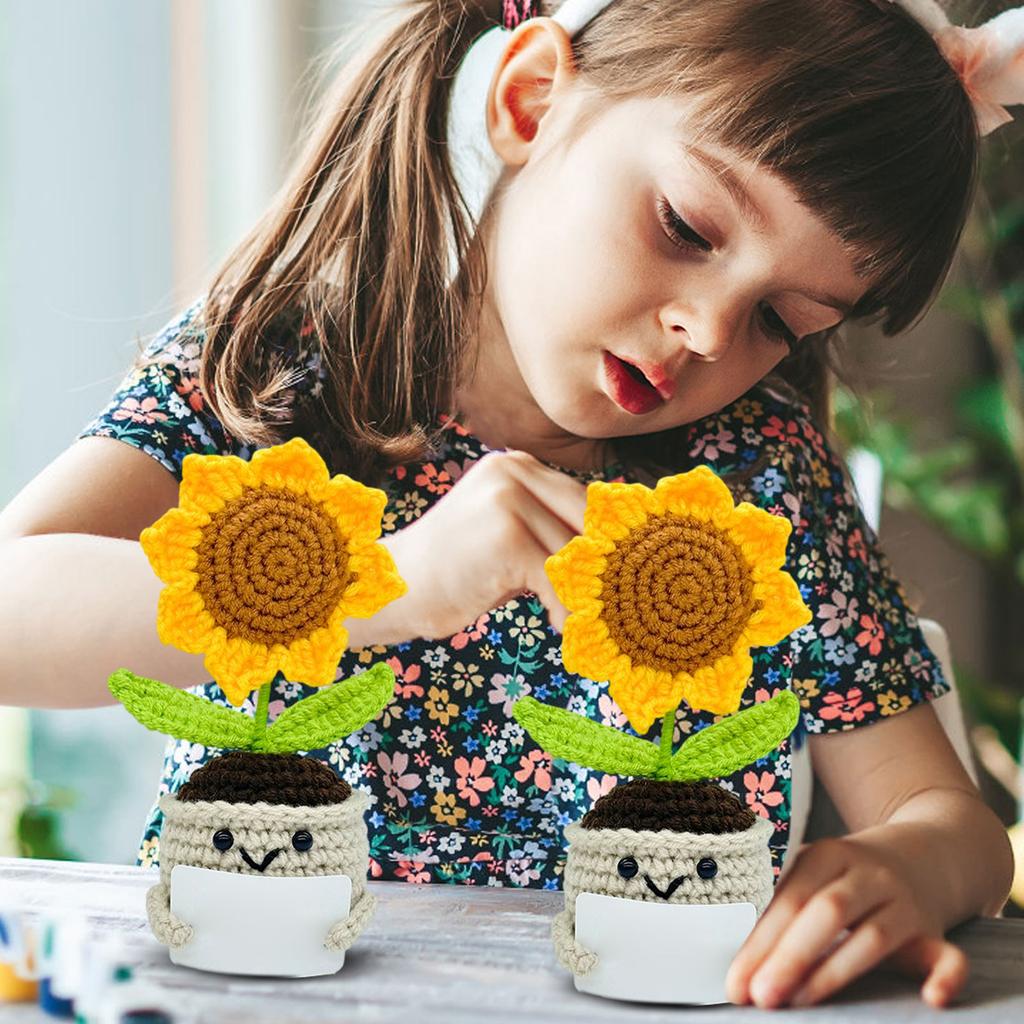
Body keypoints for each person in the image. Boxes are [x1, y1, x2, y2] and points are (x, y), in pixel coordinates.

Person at [0, 0, 1017, 1008]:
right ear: (531, 102)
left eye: (777, 320)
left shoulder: (760, 475)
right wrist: (374, 586)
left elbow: (945, 817)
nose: (706, 332)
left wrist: (909, 867)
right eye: (686, 226)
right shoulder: (284, 370)